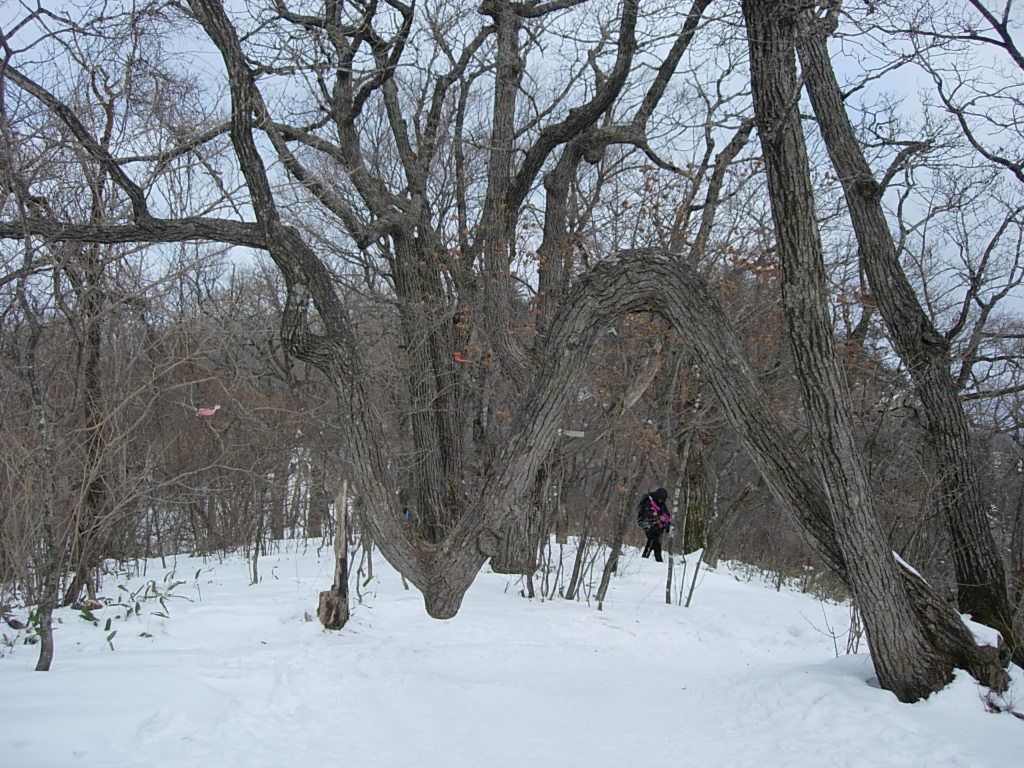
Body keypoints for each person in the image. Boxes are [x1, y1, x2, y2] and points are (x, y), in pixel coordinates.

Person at [637, 487, 671, 562]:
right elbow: (647, 514)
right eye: (661, 499)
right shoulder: (648, 501)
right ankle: (658, 561)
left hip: (656, 524)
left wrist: (667, 524)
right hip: (645, 522)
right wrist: (658, 517)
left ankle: (645, 558)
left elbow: (666, 514)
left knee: (653, 541)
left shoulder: (660, 503)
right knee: (654, 539)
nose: (661, 501)